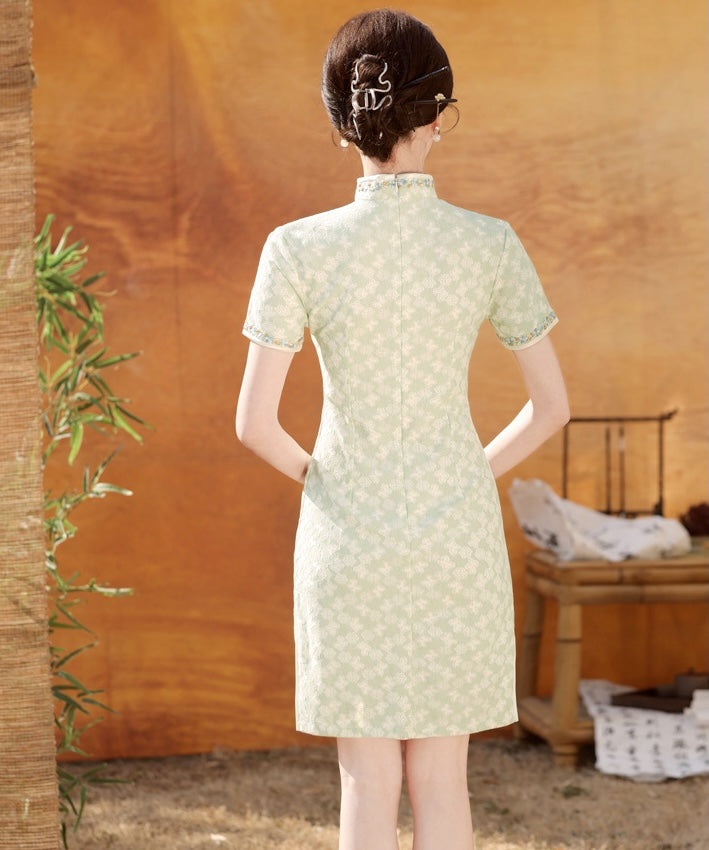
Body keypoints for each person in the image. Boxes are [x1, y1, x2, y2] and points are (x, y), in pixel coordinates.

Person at [236, 9, 569, 850]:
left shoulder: (294, 248)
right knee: (442, 779)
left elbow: (254, 425)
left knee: (366, 778)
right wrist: (466, 473)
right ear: (437, 116)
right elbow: (550, 408)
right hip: (454, 533)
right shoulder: (488, 245)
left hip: (344, 535)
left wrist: (329, 482)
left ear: (340, 122)